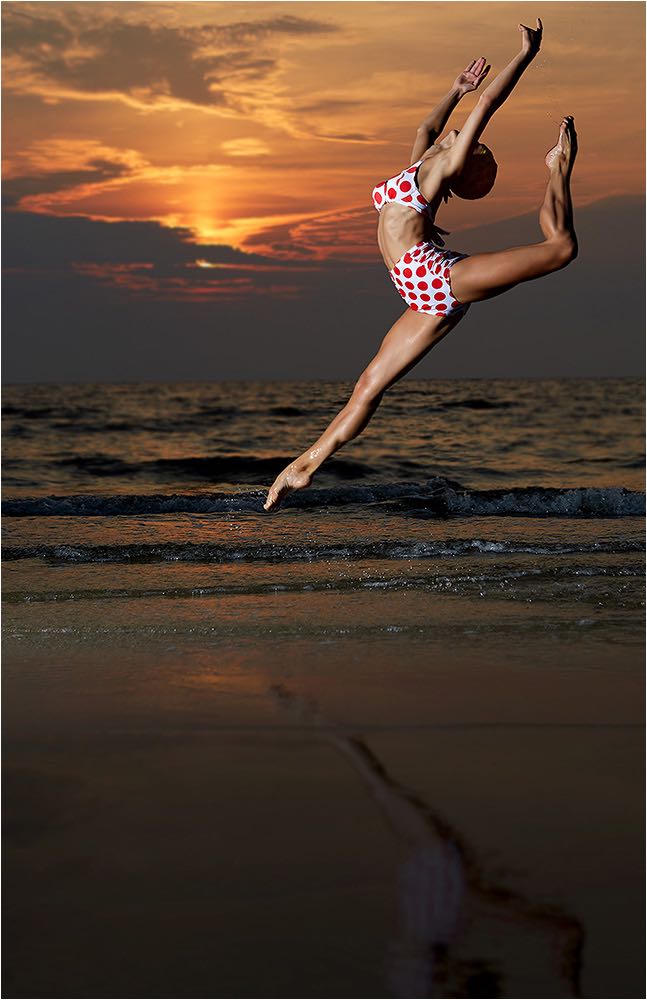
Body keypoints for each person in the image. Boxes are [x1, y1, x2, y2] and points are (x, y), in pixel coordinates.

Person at [264, 18, 577, 512]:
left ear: (463, 154)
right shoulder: (421, 163)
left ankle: (558, 169)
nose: (458, 132)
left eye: (470, 140)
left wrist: (525, 56)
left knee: (561, 248)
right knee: (368, 385)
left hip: (440, 281)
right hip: (417, 293)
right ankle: (304, 466)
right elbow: (426, 127)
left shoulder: (438, 173)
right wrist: (454, 89)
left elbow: (488, 105)